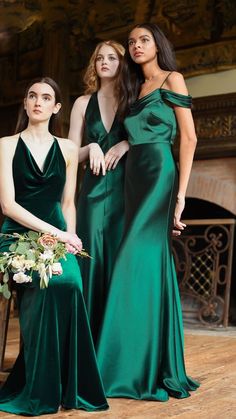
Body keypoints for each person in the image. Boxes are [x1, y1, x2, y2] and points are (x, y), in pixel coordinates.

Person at [97, 23, 199, 401]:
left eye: (144, 40)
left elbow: (188, 137)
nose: (137, 46)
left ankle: (120, 367)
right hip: (132, 177)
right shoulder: (131, 88)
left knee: (129, 259)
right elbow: (134, 128)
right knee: (148, 263)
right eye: (132, 42)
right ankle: (148, 359)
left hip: (159, 173)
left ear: (158, 46)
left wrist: (181, 195)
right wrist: (124, 142)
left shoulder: (173, 78)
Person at [0, 77, 108, 415]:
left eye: (46, 97)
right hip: (16, 236)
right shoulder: (5, 145)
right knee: (46, 285)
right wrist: (57, 234)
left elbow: (68, 203)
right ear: (26, 103)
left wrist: (70, 239)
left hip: (57, 235)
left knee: (70, 282)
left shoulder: (67, 149)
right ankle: (36, 386)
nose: (37, 102)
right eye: (32, 95)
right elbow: (8, 205)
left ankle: (66, 385)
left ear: (56, 107)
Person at [68, 41, 129, 345]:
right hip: (91, 196)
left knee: (119, 265)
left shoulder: (133, 100)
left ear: (122, 63)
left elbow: (149, 138)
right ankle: (86, 346)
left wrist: (126, 143)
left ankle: (113, 349)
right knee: (89, 263)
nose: (105, 62)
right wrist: (91, 146)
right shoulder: (82, 103)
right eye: (99, 58)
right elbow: (68, 155)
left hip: (124, 194)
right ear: (94, 64)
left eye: (112, 57)